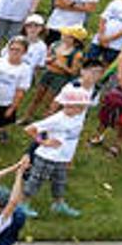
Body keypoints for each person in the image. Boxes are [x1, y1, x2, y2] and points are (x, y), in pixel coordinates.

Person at [18, 86, 92, 218]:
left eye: (76, 106)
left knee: (60, 182)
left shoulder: (78, 119)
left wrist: (70, 157)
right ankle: (23, 204)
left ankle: (58, 204)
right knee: (36, 180)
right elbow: (30, 129)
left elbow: (73, 140)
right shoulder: (57, 119)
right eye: (68, 105)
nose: (69, 108)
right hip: (47, 157)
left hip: (63, 158)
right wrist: (44, 142)